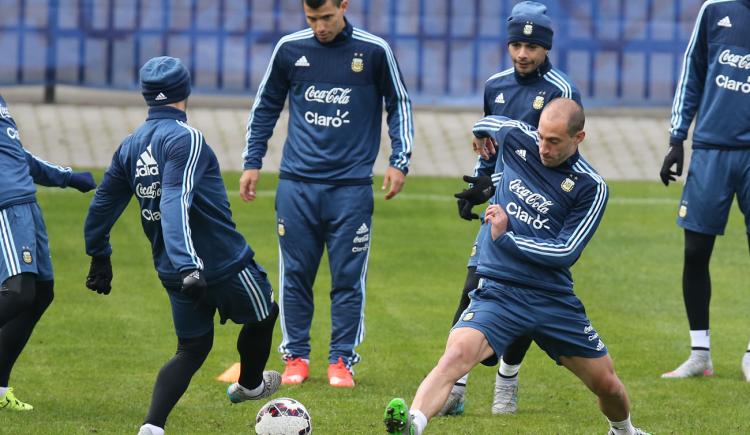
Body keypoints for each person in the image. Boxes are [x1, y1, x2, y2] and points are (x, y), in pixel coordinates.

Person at [384, 99, 650, 435]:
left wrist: (506, 236)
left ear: (578, 137)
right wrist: (479, 137)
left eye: (554, 141)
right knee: (455, 356)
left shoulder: (590, 187)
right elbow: (490, 121)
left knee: (608, 385)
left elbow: (565, 250)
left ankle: (624, 432)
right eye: (541, 137)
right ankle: (413, 425)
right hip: (500, 290)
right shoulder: (518, 137)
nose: (543, 148)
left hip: (551, 299)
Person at [83, 56, 280, 435]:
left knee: (191, 350)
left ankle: (151, 428)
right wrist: (190, 265)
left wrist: (98, 255)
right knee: (265, 313)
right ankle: (251, 385)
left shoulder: (130, 145)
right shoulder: (186, 137)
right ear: (185, 92)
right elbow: (175, 199)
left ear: (146, 97)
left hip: (171, 270)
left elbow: (102, 206)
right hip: (220, 263)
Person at [240, 0, 413, 388]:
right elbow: (265, 105)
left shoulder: (373, 51)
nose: (319, 27)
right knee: (295, 276)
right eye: (311, 19)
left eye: (327, 18)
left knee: (348, 279)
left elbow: (398, 104)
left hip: (350, 189)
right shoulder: (289, 49)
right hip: (297, 185)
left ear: (344, 6)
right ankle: (296, 356)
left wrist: (399, 159)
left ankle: (341, 360)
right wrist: (252, 161)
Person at [444, 0, 581, 416]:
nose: (523, 54)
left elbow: (558, 160)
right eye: (516, 44)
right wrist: (479, 181)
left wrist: (502, 177)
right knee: (473, 292)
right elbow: (489, 148)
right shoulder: (496, 86)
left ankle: (507, 381)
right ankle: (455, 388)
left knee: (524, 298)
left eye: (531, 46)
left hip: (541, 211)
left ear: (546, 48)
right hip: (500, 210)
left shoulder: (561, 91)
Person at [660, 0, 750, 381]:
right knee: (695, 250)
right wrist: (677, 138)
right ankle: (700, 353)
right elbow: (692, 73)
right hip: (711, 149)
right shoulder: (715, 10)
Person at [0, 95, 96, 411]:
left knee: (40, 293)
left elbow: (17, 155)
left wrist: (67, 177)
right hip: (6, 206)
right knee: (18, 293)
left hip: (26, 205)